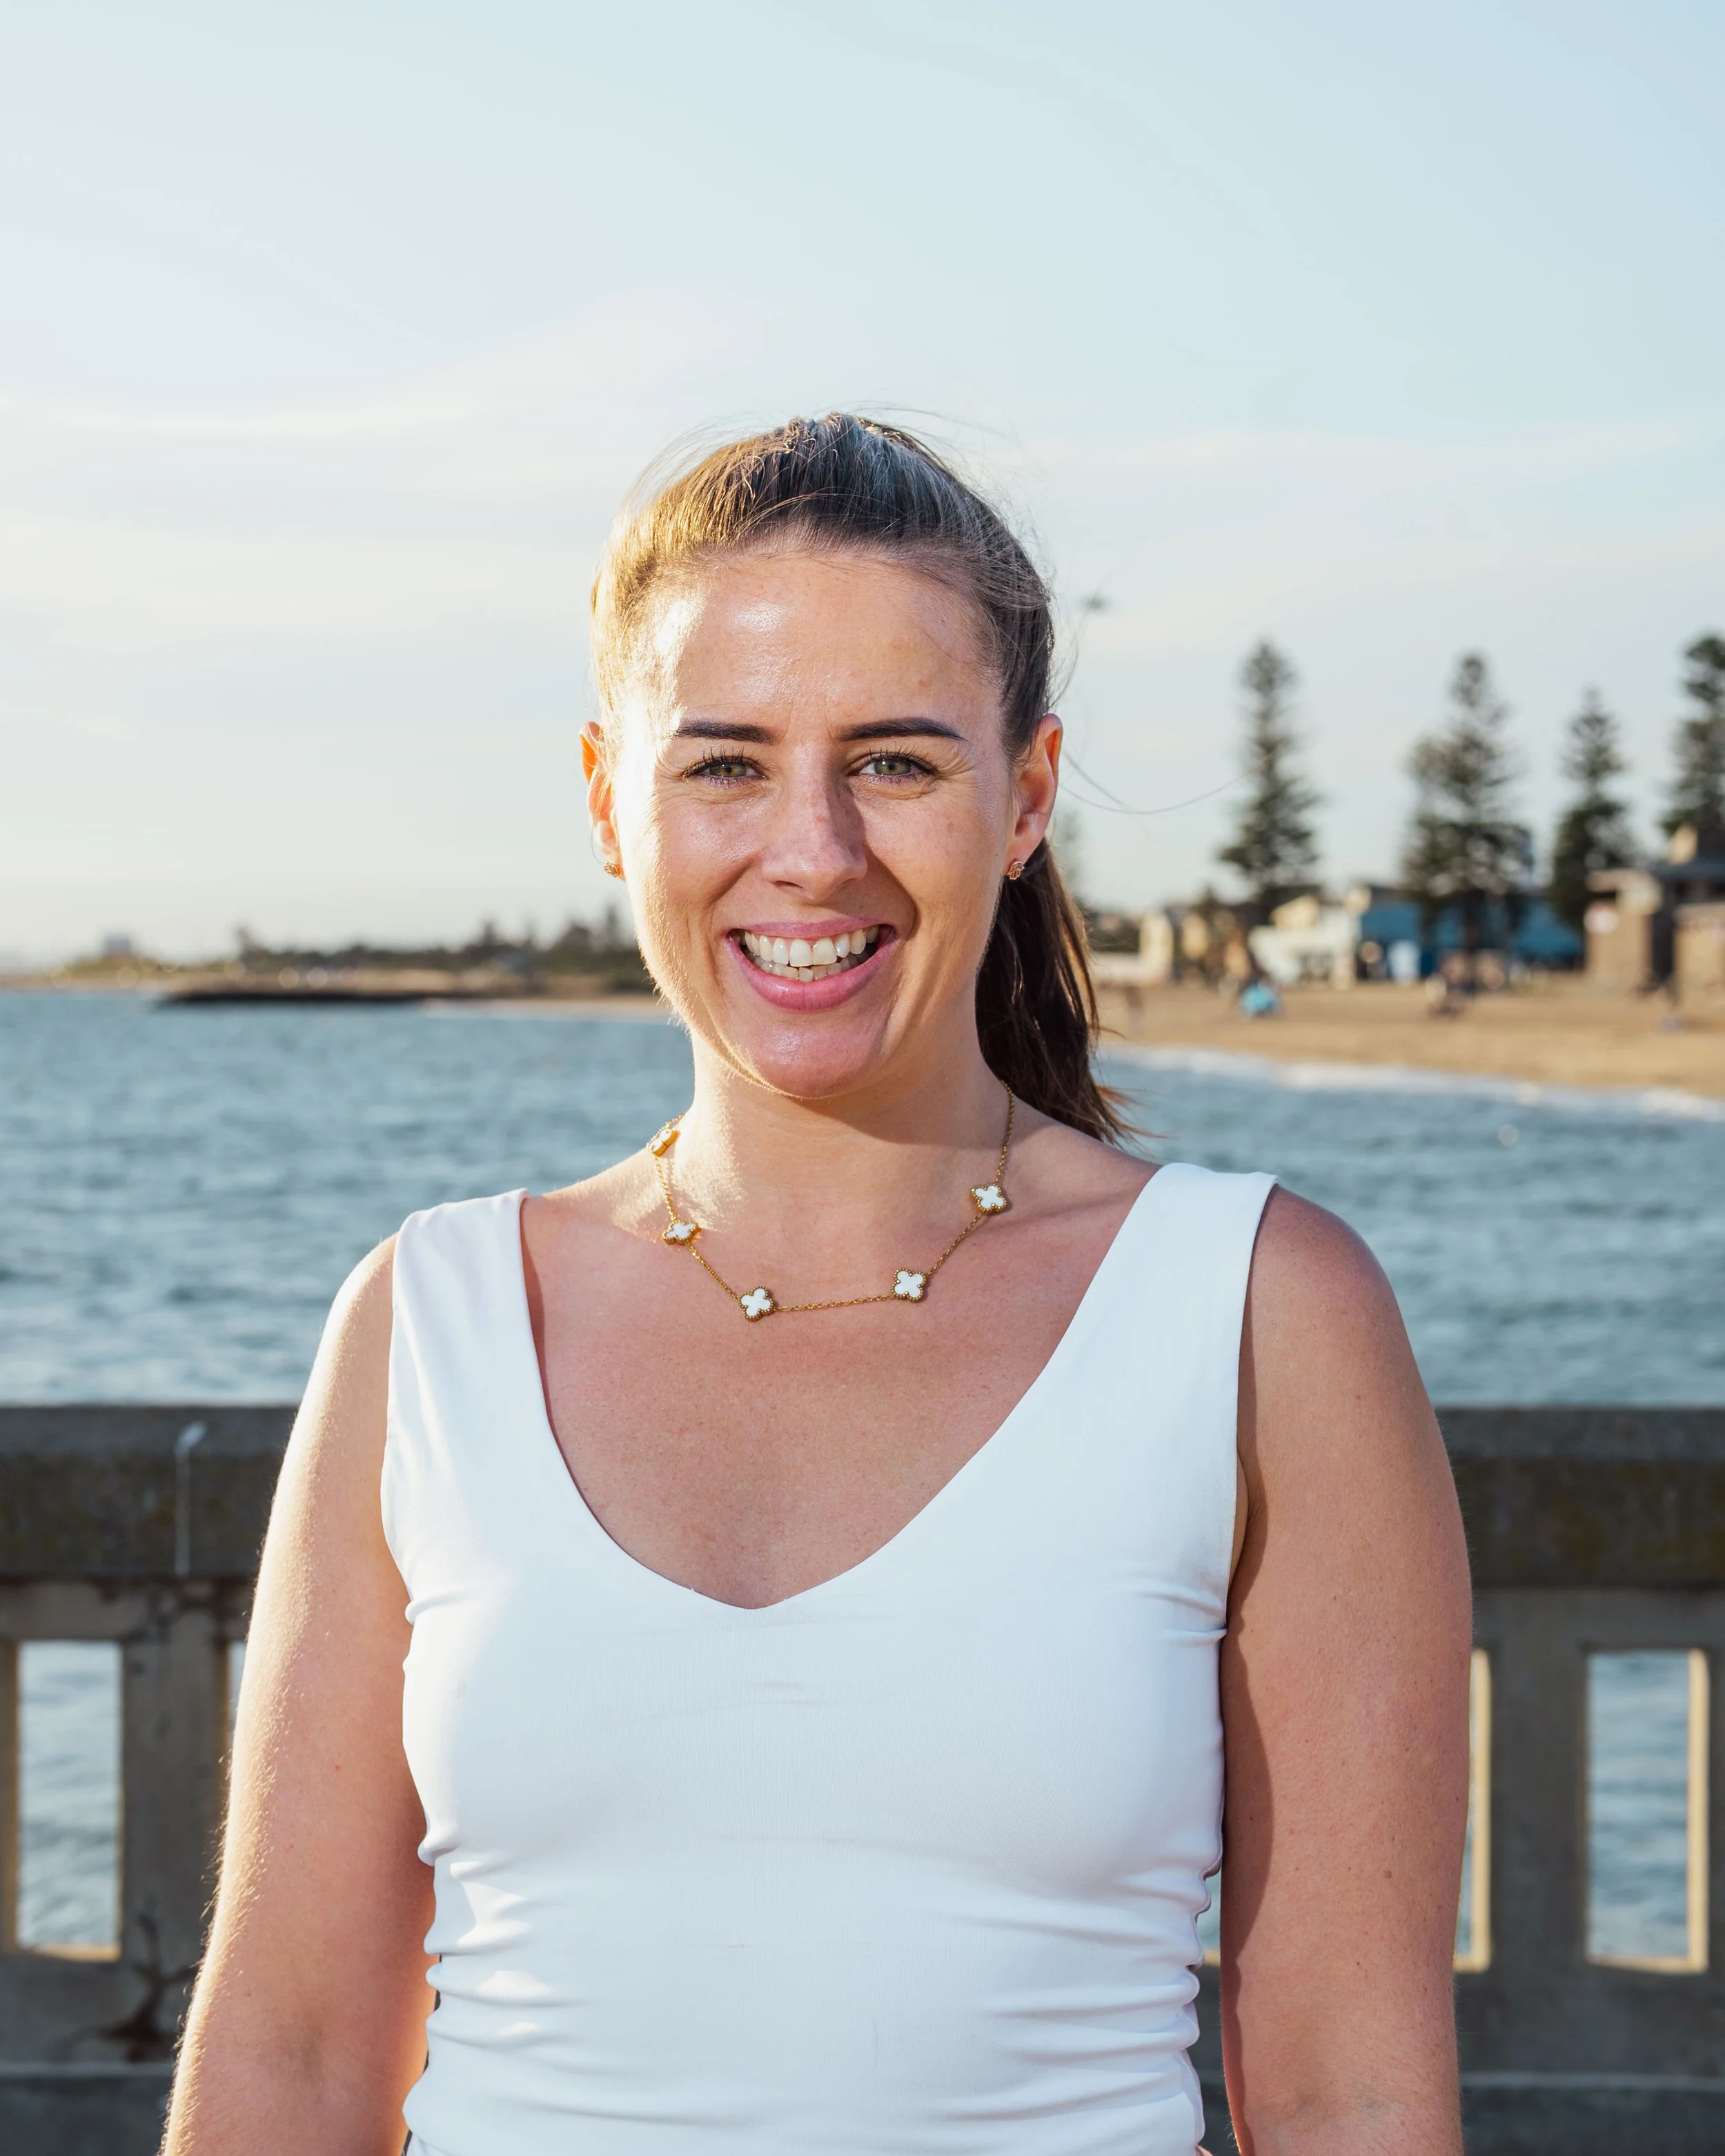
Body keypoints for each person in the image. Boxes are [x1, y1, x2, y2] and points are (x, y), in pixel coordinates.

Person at [164, 415, 1471, 2156]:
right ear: (605, 801)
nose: (812, 850)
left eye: (898, 763)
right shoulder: (432, 1317)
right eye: (723, 763)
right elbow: (291, 2056)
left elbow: (1346, 2089)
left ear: (1025, 797)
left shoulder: (1255, 1310)